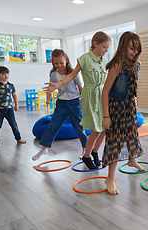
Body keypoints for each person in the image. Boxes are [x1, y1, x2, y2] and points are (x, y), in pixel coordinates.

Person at [44, 31, 111, 169]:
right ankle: (87, 156)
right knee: (96, 131)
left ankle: (95, 152)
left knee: (105, 129)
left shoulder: (104, 61)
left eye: (107, 48)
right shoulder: (84, 59)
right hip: (90, 96)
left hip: (103, 96)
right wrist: (58, 84)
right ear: (95, 44)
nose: (106, 50)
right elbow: (72, 75)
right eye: (104, 47)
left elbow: (107, 81)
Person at [102, 31, 145, 195]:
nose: (134, 52)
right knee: (116, 141)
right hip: (116, 107)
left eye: (137, 49)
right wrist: (106, 116)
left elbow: (131, 89)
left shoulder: (136, 64)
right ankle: (110, 178)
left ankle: (132, 160)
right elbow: (105, 92)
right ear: (123, 48)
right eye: (131, 49)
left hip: (129, 105)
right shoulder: (117, 65)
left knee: (132, 134)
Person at [32, 49, 88, 161]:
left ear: (66, 61)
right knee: (53, 126)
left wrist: (84, 102)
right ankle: (44, 148)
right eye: (56, 63)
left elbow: (81, 89)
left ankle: (85, 149)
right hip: (61, 104)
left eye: (61, 63)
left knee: (79, 128)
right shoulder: (53, 74)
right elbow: (50, 88)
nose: (59, 65)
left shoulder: (73, 74)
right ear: (53, 63)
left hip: (74, 103)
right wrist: (48, 99)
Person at [0, 66, 26, 145]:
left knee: (13, 124)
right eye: (3, 74)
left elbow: (14, 95)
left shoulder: (10, 85)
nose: (6, 75)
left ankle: (18, 138)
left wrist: (16, 104)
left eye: (7, 74)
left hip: (9, 109)